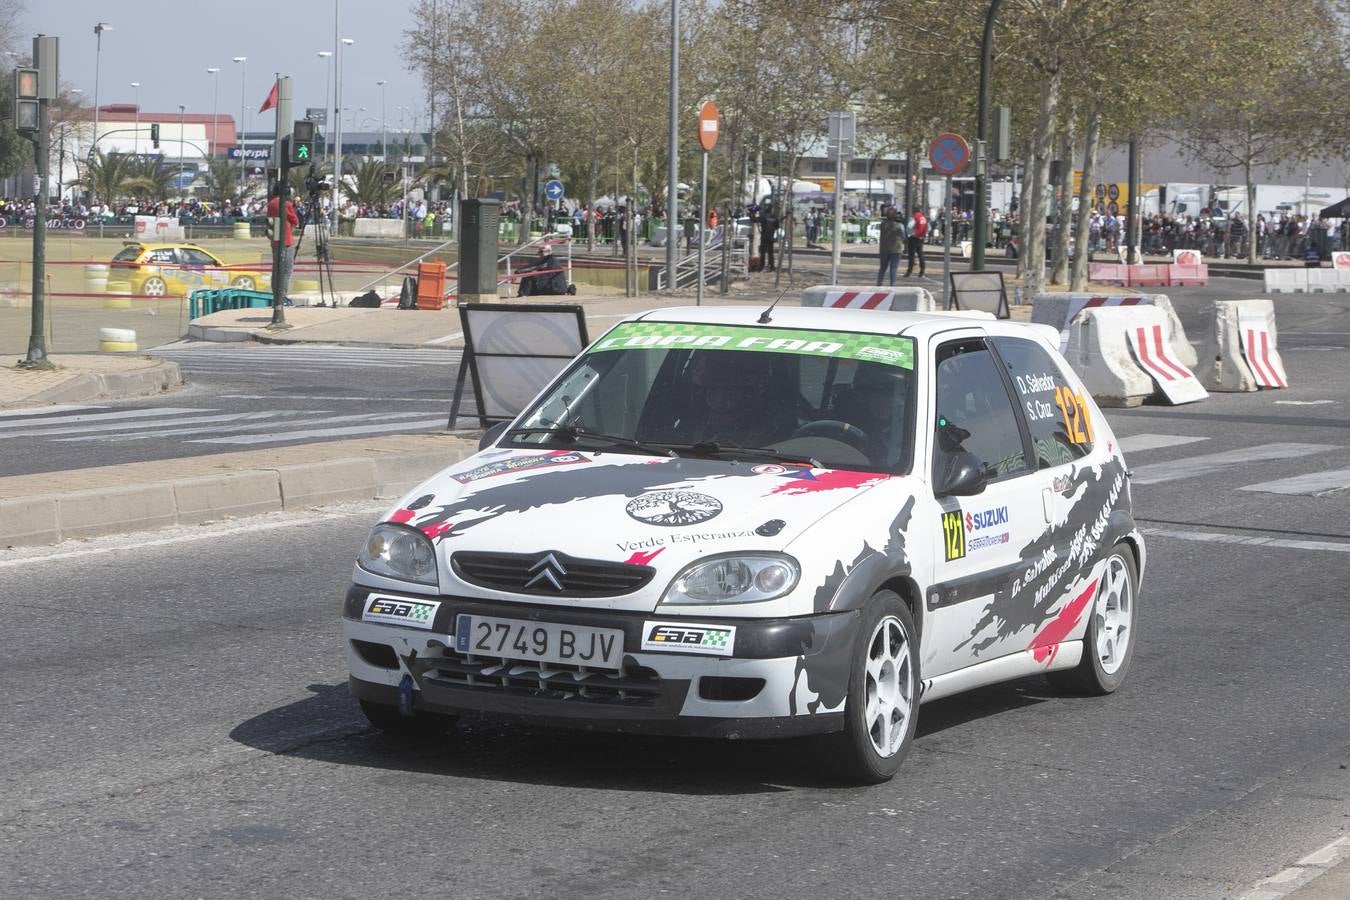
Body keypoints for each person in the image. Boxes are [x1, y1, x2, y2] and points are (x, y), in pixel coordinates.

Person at [684, 351, 786, 447]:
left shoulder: (773, 436)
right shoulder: (688, 428)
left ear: (749, 394)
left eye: (730, 392)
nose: (720, 400)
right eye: (713, 390)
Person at [266, 182, 300, 300]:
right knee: (286, 270)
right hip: (286, 241)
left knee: (276, 269)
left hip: (275, 239)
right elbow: (295, 220)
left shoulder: (271, 203)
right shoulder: (286, 204)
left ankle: (276, 295)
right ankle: (282, 296)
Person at [876, 207, 906, 286]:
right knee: (893, 268)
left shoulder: (883, 224)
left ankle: (879, 283)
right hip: (896, 249)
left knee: (883, 267)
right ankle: (893, 284)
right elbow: (903, 236)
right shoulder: (899, 225)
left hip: (884, 248)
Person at [904, 205, 928, 276]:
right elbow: (928, 228)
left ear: (914, 210)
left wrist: (909, 233)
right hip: (921, 237)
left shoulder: (914, 217)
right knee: (920, 254)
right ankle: (922, 270)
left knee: (911, 255)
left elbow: (909, 226)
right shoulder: (923, 217)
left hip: (914, 237)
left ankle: (909, 271)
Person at [758, 204, 780, 272]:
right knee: (771, 253)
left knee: (763, 252)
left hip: (764, 236)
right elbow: (777, 226)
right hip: (771, 236)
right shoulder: (774, 217)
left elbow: (758, 221)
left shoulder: (763, 216)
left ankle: (761, 267)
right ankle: (772, 267)